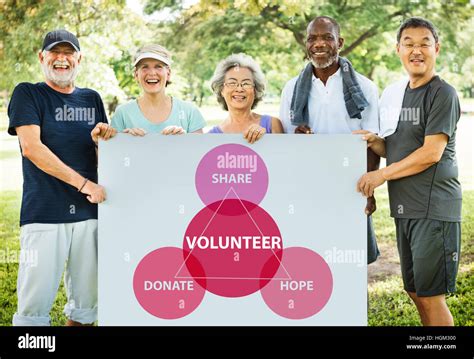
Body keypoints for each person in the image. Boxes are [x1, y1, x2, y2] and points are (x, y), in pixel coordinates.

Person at [356, 17, 461, 326]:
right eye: (409, 44)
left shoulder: (443, 93)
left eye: (424, 43)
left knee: (431, 296)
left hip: (433, 210)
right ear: (398, 49)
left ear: (436, 48)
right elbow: (396, 149)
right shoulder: (397, 95)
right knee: (415, 291)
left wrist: (381, 175)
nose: (417, 51)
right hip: (406, 210)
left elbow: (430, 153)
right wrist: (374, 141)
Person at [7, 29, 115, 326]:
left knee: (85, 307)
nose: (62, 59)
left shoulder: (91, 98)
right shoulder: (27, 93)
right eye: (55, 52)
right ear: (42, 57)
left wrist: (98, 142)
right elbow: (32, 149)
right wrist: (84, 184)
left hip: (89, 213)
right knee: (33, 309)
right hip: (44, 213)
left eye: (69, 53)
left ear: (79, 59)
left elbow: (102, 157)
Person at [279, 16, 380, 264]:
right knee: (308, 257)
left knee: (352, 261)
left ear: (340, 42)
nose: (319, 44)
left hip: (351, 186)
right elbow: (283, 142)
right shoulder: (291, 89)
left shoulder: (365, 88)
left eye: (327, 37)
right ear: (306, 44)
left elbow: (373, 143)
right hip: (307, 187)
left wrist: (367, 191)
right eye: (312, 38)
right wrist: (296, 138)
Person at [111, 44, 206, 136]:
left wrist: (183, 140)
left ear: (168, 73)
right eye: (145, 67)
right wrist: (124, 141)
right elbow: (112, 150)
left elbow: (200, 151)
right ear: (136, 74)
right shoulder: (122, 113)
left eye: (158, 66)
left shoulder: (189, 112)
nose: (152, 73)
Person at [209, 53, 283, 142]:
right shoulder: (212, 135)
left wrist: (265, 138)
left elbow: (282, 154)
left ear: (255, 90)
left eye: (246, 83)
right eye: (232, 83)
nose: (239, 89)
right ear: (221, 90)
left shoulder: (272, 124)